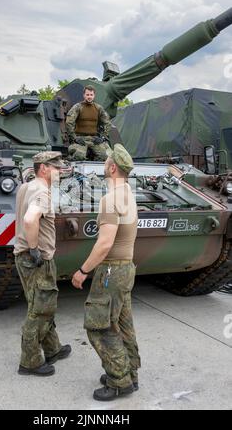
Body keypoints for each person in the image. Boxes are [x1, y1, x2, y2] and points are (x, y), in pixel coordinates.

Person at [72, 144, 141, 401]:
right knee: (123, 325)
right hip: (127, 269)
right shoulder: (128, 194)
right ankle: (129, 372)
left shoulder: (109, 199)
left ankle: (119, 381)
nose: (104, 164)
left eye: (106, 161)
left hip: (111, 270)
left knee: (98, 327)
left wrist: (82, 271)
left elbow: (104, 244)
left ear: (112, 168)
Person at [14, 151, 71, 376]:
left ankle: (52, 348)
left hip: (24, 257)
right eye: (56, 168)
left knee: (43, 304)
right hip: (35, 259)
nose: (59, 171)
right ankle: (30, 362)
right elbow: (29, 219)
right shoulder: (41, 192)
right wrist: (35, 248)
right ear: (44, 168)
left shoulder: (26, 186)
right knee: (40, 309)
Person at [66, 85, 112, 161]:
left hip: (94, 139)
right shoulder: (78, 107)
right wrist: (74, 137)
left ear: (94, 95)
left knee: (105, 156)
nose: (89, 97)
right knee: (79, 156)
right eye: (87, 95)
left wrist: (103, 137)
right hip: (81, 139)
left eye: (91, 95)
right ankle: (69, 160)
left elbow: (107, 123)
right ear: (84, 95)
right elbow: (69, 122)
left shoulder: (98, 108)